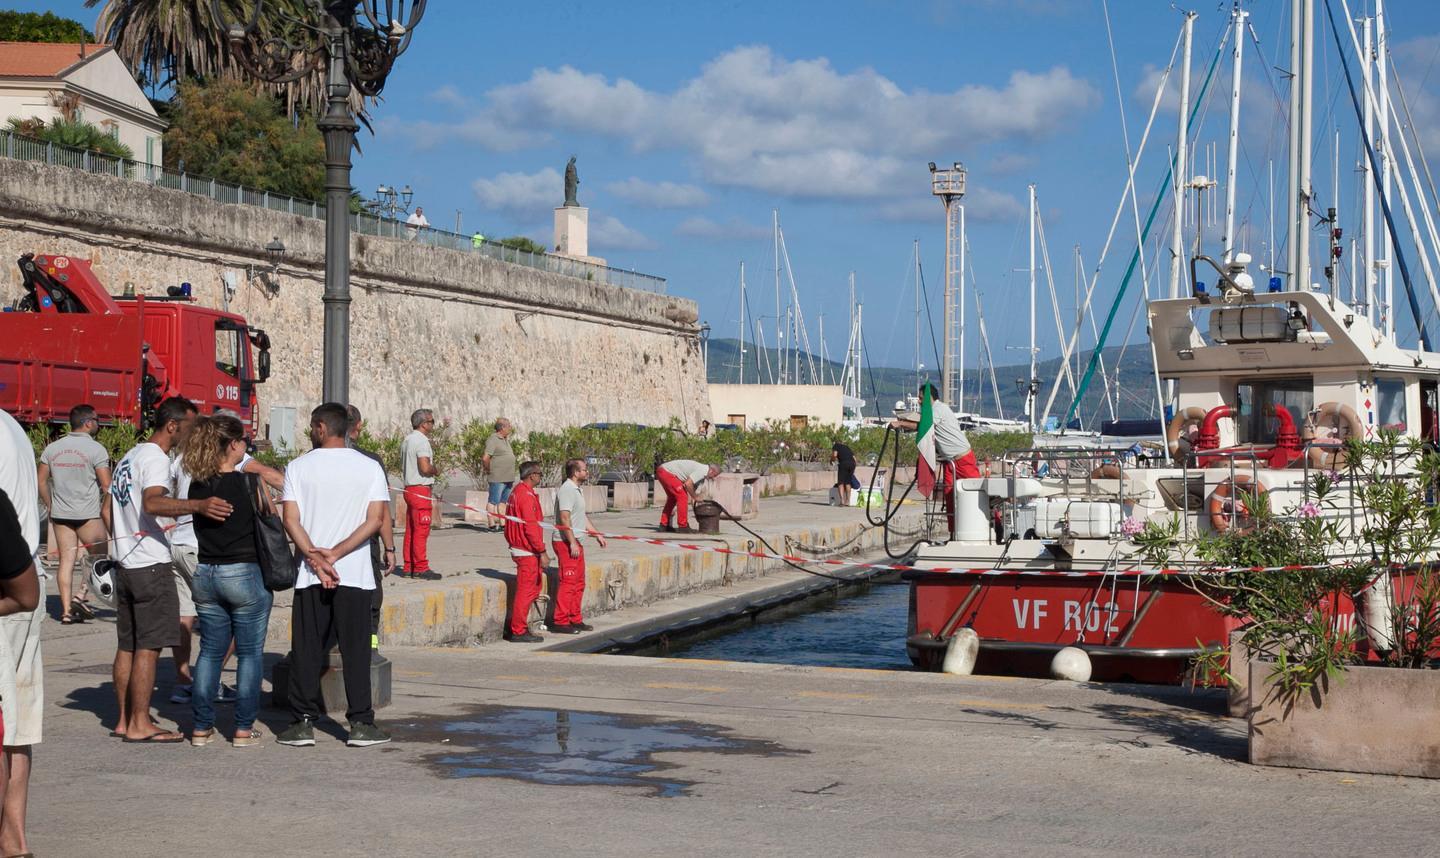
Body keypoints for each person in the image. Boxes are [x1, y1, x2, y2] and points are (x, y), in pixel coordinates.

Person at [110, 396, 231, 744]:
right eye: (190, 427)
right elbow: (152, 502)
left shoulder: (130, 457)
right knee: (149, 647)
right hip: (149, 565)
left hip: (125, 562)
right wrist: (198, 505)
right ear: (173, 425)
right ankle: (140, 723)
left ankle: (123, 720)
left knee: (128, 645)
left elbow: (108, 508)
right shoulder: (156, 459)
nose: (193, 434)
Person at [276, 403, 391, 748]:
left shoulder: (298, 467)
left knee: (306, 648)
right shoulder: (370, 467)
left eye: (313, 426)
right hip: (354, 573)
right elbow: (375, 519)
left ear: (322, 427)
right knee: (357, 650)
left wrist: (316, 558)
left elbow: (290, 520)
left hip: (311, 575)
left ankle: (302, 723)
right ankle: (361, 723)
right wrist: (337, 554)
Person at [167, 424, 283, 706]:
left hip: (190, 553)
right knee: (244, 644)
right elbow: (272, 511)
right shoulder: (246, 476)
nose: (247, 445)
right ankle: (238, 716)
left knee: (196, 630)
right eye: (244, 440)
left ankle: (187, 689)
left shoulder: (190, 470)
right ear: (232, 444)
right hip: (234, 565)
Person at [180, 415, 271, 747]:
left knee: (209, 652)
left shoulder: (198, 484)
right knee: (249, 654)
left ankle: (201, 727)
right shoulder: (250, 483)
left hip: (206, 571)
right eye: (244, 440)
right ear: (233, 445)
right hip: (243, 571)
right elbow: (270, 517)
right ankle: (243, 728)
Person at [0, 411, 43, 858]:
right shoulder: (10, 425)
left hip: (9, 589)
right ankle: (14, 841)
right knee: (15, 728)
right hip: (23, 573)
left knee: (7, 727)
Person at [37, 404, 110, 624]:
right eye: (96, 420)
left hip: (61, 514)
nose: (98, 424)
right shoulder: (96, 449)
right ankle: (81, 594)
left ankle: (66, 612)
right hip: (87, 514)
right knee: (99, 556)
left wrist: (50, 504)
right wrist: (106, 509)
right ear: (88, 423)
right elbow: (107, 485)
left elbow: (41, 480)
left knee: (66, 561)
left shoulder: (52, 448)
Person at [891, 383, 979, 533]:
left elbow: (924, 425)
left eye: (921, 398)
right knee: (949, 496)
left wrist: (900, 423)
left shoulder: (938, 409)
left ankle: (994, 524)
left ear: (929, 398)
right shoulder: (931, 412)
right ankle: (953, 533)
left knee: (978, 492)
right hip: (949, 462)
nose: (919, 401)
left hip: (963, 459)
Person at [347, 404, 396, 657]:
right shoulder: (371, 462)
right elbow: (382, 511)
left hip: (324, 545)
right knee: (370, 599)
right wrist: (390, 548)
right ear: (358, 426)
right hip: (365, 543)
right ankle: (370, 647)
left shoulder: (309, 460)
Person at [549, 458, 606, 634]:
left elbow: (581, 516)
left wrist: (596, 534)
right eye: (584, 470)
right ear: (575, 472)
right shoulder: (567, 489)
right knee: (568, 582)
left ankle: (575, 618)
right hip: (565, 542)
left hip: (577, 541)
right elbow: (565, 517)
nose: (587, 472)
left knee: (579, 582)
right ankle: (560, 621)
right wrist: (572, 541)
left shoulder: (577, 489)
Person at [504, 460, 548, 643]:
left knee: (530, 589)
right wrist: (542, 551)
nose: (540, 477)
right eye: (540, 474)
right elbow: (530, 527)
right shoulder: (525, 496)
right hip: (526, 550)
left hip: (522, 547)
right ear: (532, 475)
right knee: (526, 591)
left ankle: (519, 626)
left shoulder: (517, 492)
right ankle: (518, 630)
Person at [398, 409, 441, 580]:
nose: (433, 424)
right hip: (420, 489)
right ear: (424, 424)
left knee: (411, 529)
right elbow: (424, 467)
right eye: (431, 421)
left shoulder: (407, 440)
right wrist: (435, 470)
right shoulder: (422, 441)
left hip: (409, 488)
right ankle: (421, 567)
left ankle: (409, 565)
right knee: (421, 530)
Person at [655, 459, 721, 533]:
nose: (713, 478)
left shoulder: (702, 477)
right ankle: (683, 526)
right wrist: (695, 497)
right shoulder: (703, 470)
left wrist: (697, 515)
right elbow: (688, 484)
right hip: (666, 472)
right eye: (715, 475)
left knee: (672, 498)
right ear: (711, 470)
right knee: (682, 496)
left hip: (662, 471)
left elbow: (694, 497)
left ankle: (663, 525)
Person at [483, 417, 517, 532]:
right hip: (497, 477)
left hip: (508, 477)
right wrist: (488, 470)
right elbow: (486, 458)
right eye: (508, 426)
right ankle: (491, 524)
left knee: (503, 502)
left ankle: (503, 523)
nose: (510, 428)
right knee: (493, 501)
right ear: (502, 427)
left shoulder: (505, 439)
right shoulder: (493, 439)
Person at [831, 437, 857, 507]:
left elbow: (834, 455)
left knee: (841, 483)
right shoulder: (847, 447)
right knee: (848, 482)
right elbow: (855, 459)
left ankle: (842, 501)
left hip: (844, 464)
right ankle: (847, 501)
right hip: (852, 464)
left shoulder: (836, 445)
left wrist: (831, 460)